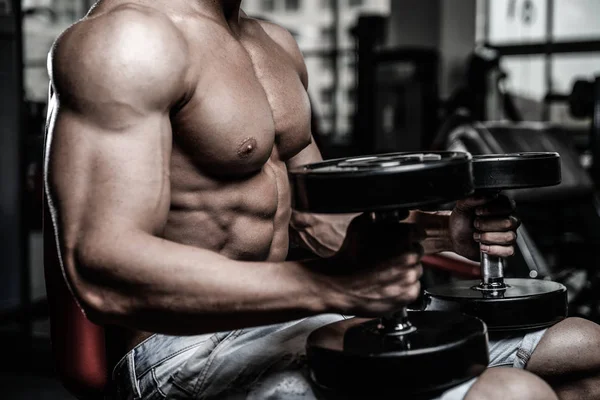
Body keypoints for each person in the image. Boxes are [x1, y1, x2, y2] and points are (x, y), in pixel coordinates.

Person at [44, 1, 600, 399]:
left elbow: (314, 215)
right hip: (180, 350)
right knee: (510, 393)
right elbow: (101, 271)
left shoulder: (273, 45)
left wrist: (439, 231)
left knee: (584, 348)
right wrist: (325, 285)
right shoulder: (128, 39)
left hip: (301, 316)